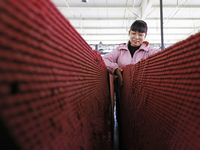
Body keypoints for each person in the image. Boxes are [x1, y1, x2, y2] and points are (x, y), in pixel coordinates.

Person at [103, 20, 161, 87]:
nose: (136, 37)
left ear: (145, 36)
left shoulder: (149, 51)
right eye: (133, 33)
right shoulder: (120, 50)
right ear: (129, 33)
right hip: (122, 89)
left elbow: (163, 56)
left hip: (142, 89)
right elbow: (104, 59)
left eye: (140, 35)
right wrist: (115, 69)